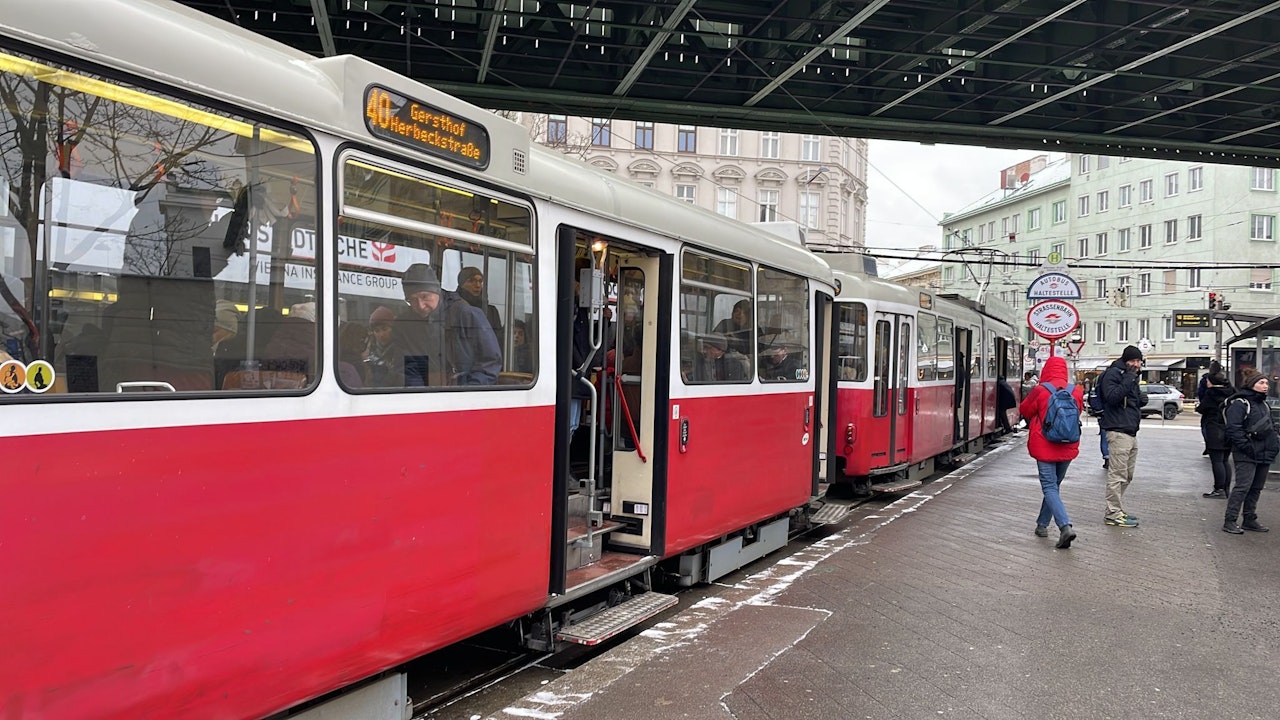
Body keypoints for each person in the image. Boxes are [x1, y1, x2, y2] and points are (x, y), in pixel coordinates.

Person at [1018, 356, 1082, 548]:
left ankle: (1065, 527)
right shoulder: (1076, 391)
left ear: (1046, 370)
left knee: (1049, 487)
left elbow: (1025, 411)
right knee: (1054, 486)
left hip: (1045, 444)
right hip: (1067, 444)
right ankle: (1042, 524)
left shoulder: (1040, 390)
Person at [1222, 369, 1279, 534]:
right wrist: (1247, 447)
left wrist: (1274, 445)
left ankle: (1249, 518)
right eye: (1261, 383)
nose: (1265, 386)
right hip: (1246, 453)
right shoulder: (1240, 403)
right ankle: (1230, 520)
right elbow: (1234, 429)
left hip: (1264, 452)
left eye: (1266, 383)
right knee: (1243, 486)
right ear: (1252, 384)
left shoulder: (1264, 404)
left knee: (1256, 488)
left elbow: (1271, 426)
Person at [1099, 345, 1146, 528]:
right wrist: (1128, 379)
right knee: (1117, 474)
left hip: (1130, 429)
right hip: (1118, 430)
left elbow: (1131, 399)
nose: (1137, 365)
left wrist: (1141, 398)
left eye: (1139, 361)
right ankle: (1112, 513)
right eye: (1133, 361)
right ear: (1126, 360)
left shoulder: (1130, 375)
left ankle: (1116, 509)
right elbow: (1112, 397)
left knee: (1128, 474)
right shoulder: (1115, 374)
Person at [395, 264, 448, 387]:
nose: (420, 306)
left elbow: (485, 364)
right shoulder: (404, 326)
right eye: (412, 300)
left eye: (425, 297)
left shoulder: (463, 314)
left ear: (437, 291)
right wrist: (420, 396)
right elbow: (407, 368)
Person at [1198, 371, 1234, 499]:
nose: (1206, 383)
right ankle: (1225, 489)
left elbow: (1201, 408)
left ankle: (1219, 489)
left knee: (1217, 460)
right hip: (1229, 430)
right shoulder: (1231, 392)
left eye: (1208, 381)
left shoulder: (1211, 394)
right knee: (1225, 460)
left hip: (1214, 429)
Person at [456, 267, 504, 338]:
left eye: (480, 281)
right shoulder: (454, 307)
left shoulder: (491, 312)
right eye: (472, 281)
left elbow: (498, 339)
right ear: (461, 284)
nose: (477, 285)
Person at [364, 305, 400, 386]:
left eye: (384, 329)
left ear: (393, 329)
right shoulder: (369, 351)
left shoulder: (401, 351)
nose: (381, 334)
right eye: (377, 331)